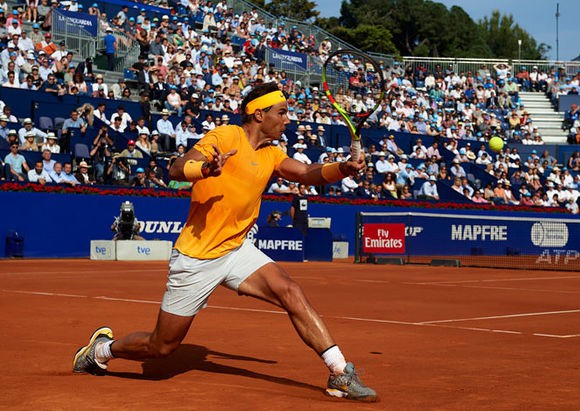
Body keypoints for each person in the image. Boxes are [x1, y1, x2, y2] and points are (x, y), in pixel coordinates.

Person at [72, 83, 377, 402]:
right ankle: (101, 351)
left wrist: (343, 168)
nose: (288, 120)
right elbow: (176, 168)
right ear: (259, 114)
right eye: (282, 113)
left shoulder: (272, 153)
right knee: (161, 347)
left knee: (290, 291)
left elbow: (306, 173)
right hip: (197, 257)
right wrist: (205, 168)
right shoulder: (225, 136)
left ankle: (340, 373)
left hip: (236, 249)